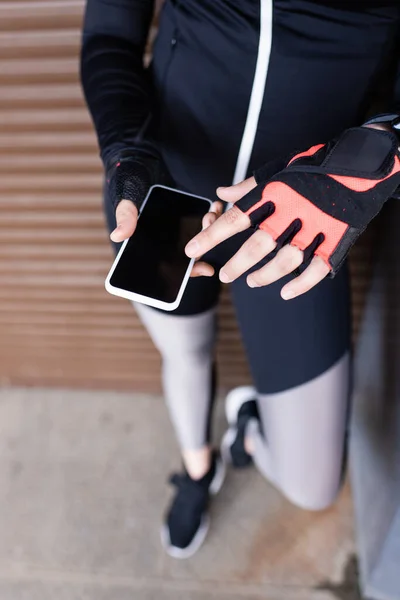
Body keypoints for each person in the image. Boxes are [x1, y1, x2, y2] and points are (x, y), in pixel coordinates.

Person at [81, 0, 400, 559]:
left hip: (306, 213)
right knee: (185, 350)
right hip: (163, 184)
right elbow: (109, 34)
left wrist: (378, 158)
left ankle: (248, 423)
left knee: (312, 484)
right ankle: (197, 468)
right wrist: (125, 149)